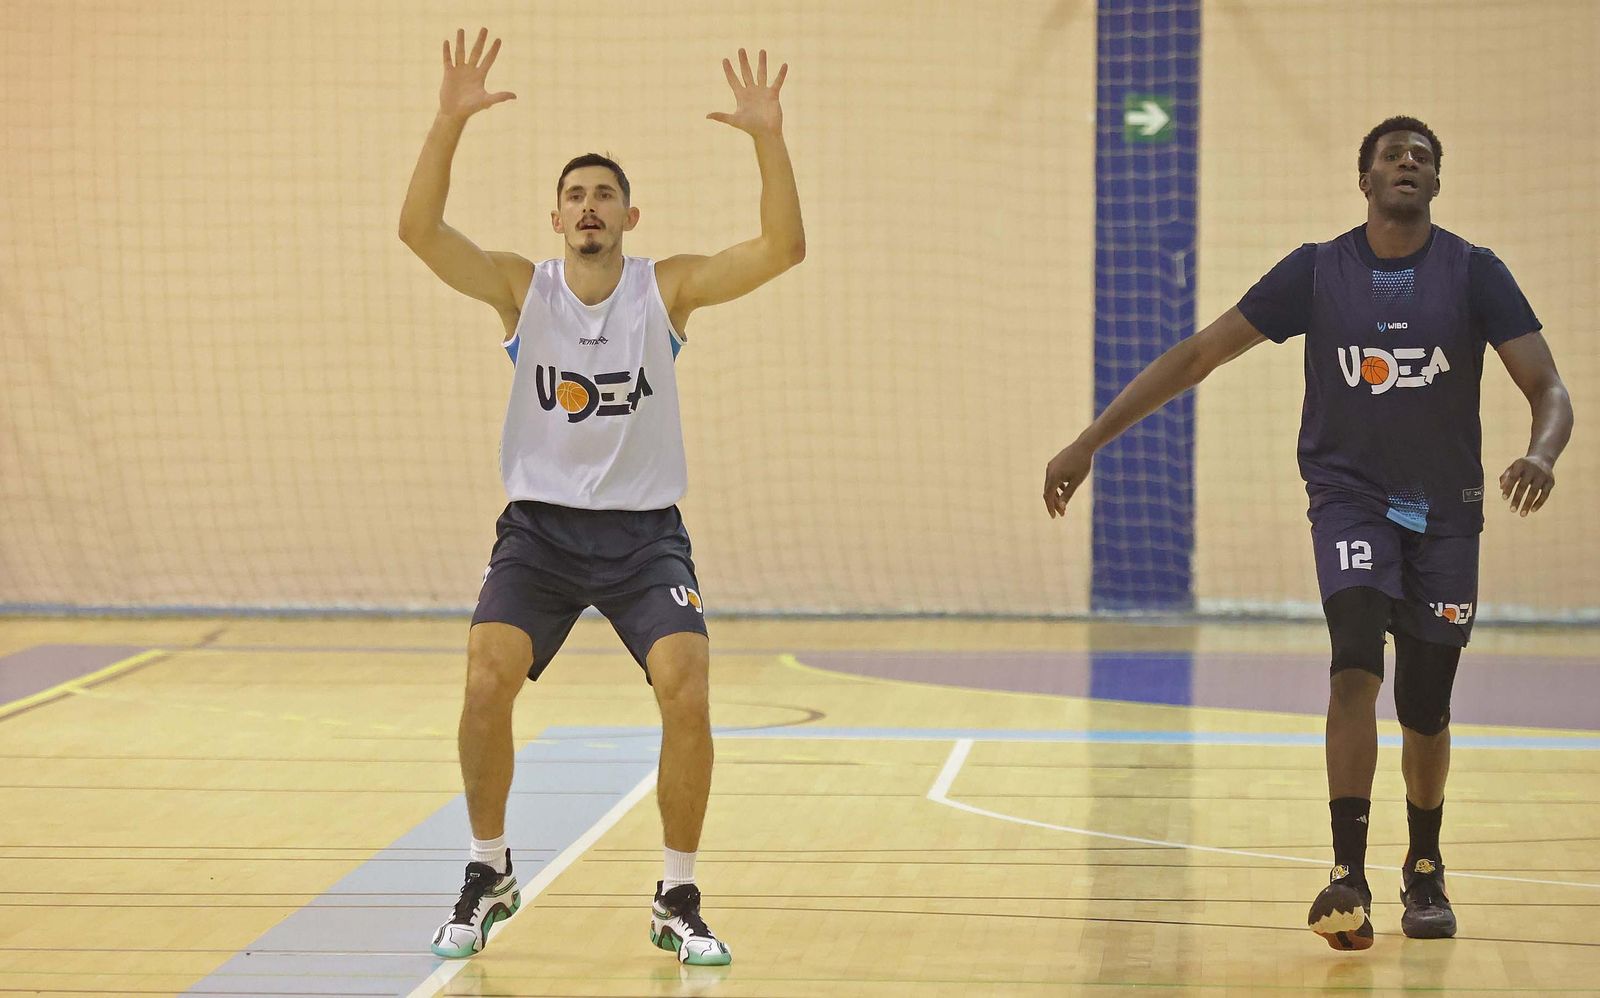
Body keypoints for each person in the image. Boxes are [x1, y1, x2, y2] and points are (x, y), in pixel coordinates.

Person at [1041, 115, 1572, 950]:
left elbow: (1548, 386)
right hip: (1350, 499)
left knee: (1426, 706)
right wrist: (1088, 440)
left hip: (1446, 512)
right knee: (1355, 665)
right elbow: (1197, 355)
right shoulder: (1318, 272)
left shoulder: (1474, 272)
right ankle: (1347, 873)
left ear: (1436, 182)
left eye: (1423, 157)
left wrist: (1541, 453)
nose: (1408, 162)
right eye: (1392, 155)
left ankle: (1424, 868)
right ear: (1364, 180)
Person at [398, 28, 804, 965]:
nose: (590, 206)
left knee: (688, 691)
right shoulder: (520, 290)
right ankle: (488, 868)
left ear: (628, 215)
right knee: (483, 680)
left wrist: (766, 138)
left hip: (642, 537)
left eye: (604, 195)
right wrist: (449, 120)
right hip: (538, 532)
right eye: (575, 195)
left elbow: (785, 247)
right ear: (556, 219)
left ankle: (678, 892)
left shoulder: (665, 292)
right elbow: (419, 232)